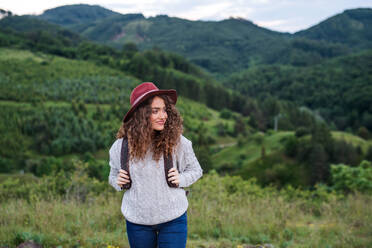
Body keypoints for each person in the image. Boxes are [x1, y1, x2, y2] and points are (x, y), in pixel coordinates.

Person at [108, 82, 203, 248]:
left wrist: (181, 178)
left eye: (164, 109)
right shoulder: (121, 146)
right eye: (155, 111)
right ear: (141, 115)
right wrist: (117, 181)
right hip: (137, 221)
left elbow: (196, 170)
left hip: (173, 219)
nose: (163, 115)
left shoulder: (178, 142)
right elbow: (112, 176)